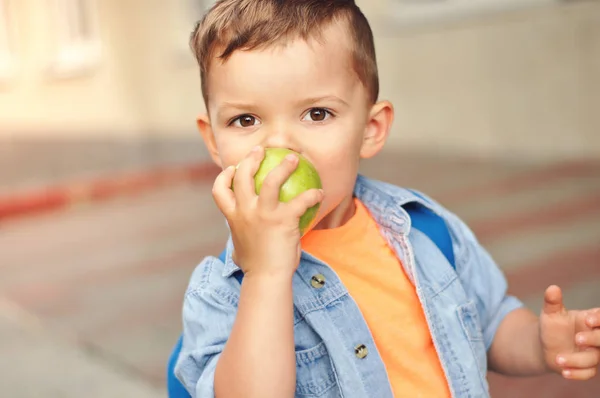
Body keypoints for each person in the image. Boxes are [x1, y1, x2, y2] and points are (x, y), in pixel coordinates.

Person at [174, 1, 600, 397]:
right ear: (213, 140)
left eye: (317, 113)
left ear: (371, 129)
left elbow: (488, 323)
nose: (280, 146)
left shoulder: (424, 230)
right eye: (245, 119)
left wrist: (540, 345)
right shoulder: (223, 292)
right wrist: (265, 274)